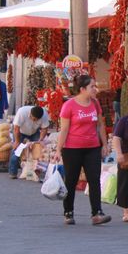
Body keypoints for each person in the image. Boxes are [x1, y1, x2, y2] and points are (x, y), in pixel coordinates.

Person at [53, 75, 111, 226]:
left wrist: (104, 144)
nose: (95, 89)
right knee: (71, 181)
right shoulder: (69, 106)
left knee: (94, 180)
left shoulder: (95, 103)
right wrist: (58, 150)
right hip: (72, 149)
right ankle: (68, 212)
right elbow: (64, 129)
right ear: (82, 89)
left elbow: (100, 125)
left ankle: (97, 213)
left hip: (92, 148)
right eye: (92, 86)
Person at [8, 105, 50, 179]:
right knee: (17, 151)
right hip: (20, 131)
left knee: (38, 149)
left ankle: (36, 171)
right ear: (30, 114)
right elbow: (16, 128)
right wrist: (17, 142)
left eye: (36, 120)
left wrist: (40, 139)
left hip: (34, 131)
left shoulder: (44, 115)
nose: (34, 120)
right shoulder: (22, 112)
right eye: (33, 118)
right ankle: (13, 172)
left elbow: (44, 128)